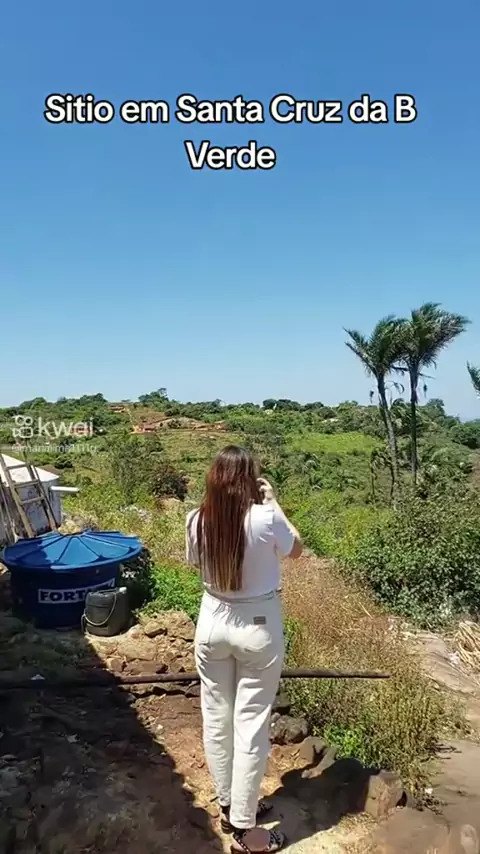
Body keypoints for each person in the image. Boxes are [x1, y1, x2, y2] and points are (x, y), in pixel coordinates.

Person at [185, 445, 303, 853]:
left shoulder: (196, 519)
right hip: (258, 626)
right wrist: (274, 503)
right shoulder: (265, 517)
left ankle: (229, 803)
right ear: (251, 480)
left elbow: (194, 563)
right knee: (250, 724)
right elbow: (296, 549)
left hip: (212, 621)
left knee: (217, 717)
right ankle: (245, 831)